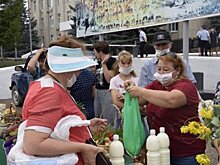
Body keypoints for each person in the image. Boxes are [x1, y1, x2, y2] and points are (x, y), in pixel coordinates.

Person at [21, 36, 107, 165]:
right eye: (78, 68)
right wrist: (83, 147)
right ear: (68, 68)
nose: (79, 72)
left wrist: (83, 127)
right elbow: (33, 144)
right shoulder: (50, 92)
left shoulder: (46, 85)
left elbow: (53, 126)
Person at [125, 52, 206, 165]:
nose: (161, 73)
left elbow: (171, 100)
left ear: (177, 71)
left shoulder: (187, 86)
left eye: (166, 70)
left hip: (186, 151)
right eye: (159, 69)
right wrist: (131, 88)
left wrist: (141, 91)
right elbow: (141, 99)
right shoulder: (157, 85)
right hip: (159, 149)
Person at [93, 41, 117, 126]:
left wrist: (104, 64)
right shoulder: (97, 62)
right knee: (98, 115)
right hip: (98, 90)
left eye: (95, 51)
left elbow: (109, 79)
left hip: (107, 91)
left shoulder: (112, 61)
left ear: (100, 51)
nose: (95, 54)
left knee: (108, 116)